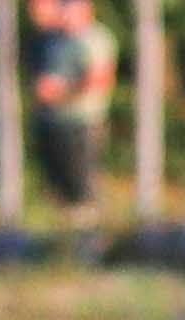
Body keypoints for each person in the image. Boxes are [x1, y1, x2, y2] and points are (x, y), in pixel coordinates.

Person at [23, 0, 113, 212]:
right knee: (58, 189)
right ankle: (67, 237)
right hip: (53, 121)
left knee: (82, 189)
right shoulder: (53, 39)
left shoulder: (94, 39)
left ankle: (89, 238)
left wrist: (60, 91)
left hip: (83, 123)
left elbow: (100, 78)